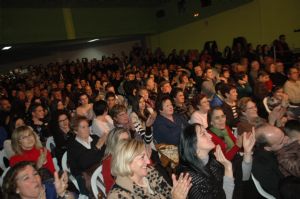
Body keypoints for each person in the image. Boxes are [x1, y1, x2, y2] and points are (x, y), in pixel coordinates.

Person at [178, 123, 255, 199]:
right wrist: (228, 169)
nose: (210, 136)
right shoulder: (192, 179)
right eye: (203, 134)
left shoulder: (212, 159)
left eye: (206, 132)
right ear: (192, 145)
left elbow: (244, 177)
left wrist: (247, 152)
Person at [108, 139, 192, 199]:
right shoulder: (118, 196)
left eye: (146, 156)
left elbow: (169, 193)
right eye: (142, 157)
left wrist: (179, 191)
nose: (148, 161)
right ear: (126, 162)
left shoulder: (150, 171)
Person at [67, 116, 107, 196]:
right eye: (83, 127)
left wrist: (94, 154)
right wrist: (97, 148)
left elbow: (105, 155)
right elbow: (84, 164)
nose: (87, 129)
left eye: (88, 126)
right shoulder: (72, 145)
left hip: (102, 171)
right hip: (85, 177)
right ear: (75, 131)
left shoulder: (95, 138)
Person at [2, 161, 74, 199]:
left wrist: (63, 193)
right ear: (16, 189)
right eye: (26, 178)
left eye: (35, 174)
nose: (34, 179)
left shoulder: (49, 188)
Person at [102, 127, 131, 194]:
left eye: (128, 140)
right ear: (113, 143)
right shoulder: (109, 161)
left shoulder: (126, 154)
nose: (127, 143)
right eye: (123, 140)